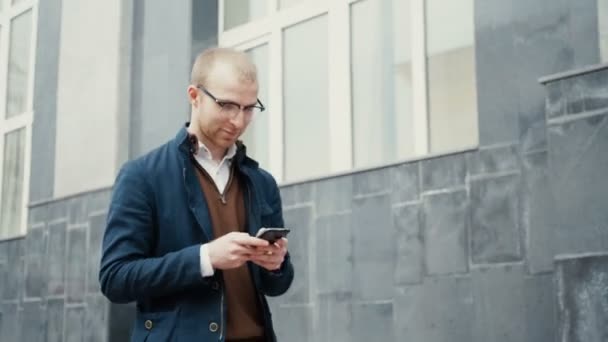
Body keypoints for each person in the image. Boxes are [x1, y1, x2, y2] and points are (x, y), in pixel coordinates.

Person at [99, 47, 293, 342]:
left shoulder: (262, 182)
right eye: (227, 105)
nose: (238, 121)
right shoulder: (142, 176)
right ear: (194, 96)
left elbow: (277, 286)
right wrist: (205, 258)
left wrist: (276, 264)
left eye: (249, 108)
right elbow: (115, 278)